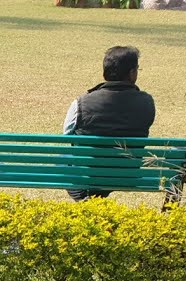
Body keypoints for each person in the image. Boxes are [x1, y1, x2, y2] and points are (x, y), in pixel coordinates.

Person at [62, 45, 156, 200]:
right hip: (128, 174)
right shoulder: (147, 102)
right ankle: (95, 202)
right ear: (132, 73)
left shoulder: (81, 102)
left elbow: (67, 134)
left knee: (63, 160)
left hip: (90, 172)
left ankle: (88, 203)